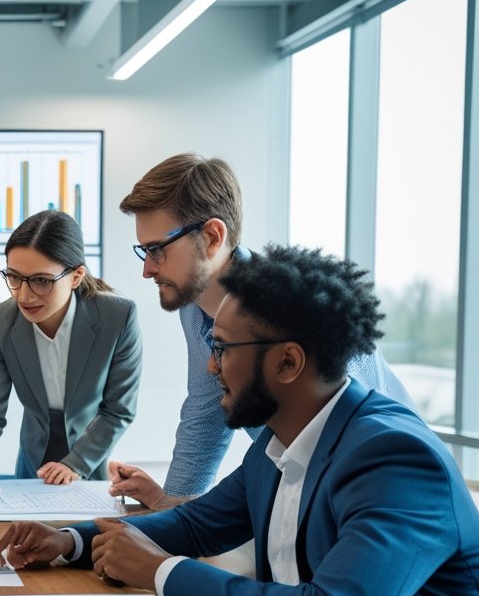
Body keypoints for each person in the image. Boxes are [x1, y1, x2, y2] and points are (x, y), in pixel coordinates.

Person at [0, 246, 479, 596]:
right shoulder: (278, 440)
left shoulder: (393, 456)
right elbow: (197, 524)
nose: (210, 369)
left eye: (222, 349)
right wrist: (68, 541)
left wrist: (161, 571)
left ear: (288, 361)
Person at [108, 154, 413, 509]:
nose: (147, 270)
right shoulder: (194, 307)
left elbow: (356, 424)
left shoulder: (292, 305)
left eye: (157, 250)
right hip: (307, 493)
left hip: (380, 491)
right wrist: (172, 501)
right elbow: (206, 409)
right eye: (144, 251)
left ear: (211, 236)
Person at [0, 210, 142, 493]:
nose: (24, 295)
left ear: (76, 276)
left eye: (42, 281)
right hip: (31, 467)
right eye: (14, 277)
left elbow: (119, 410)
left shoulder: (117, 317)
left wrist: (76, 463)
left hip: (90, 466)